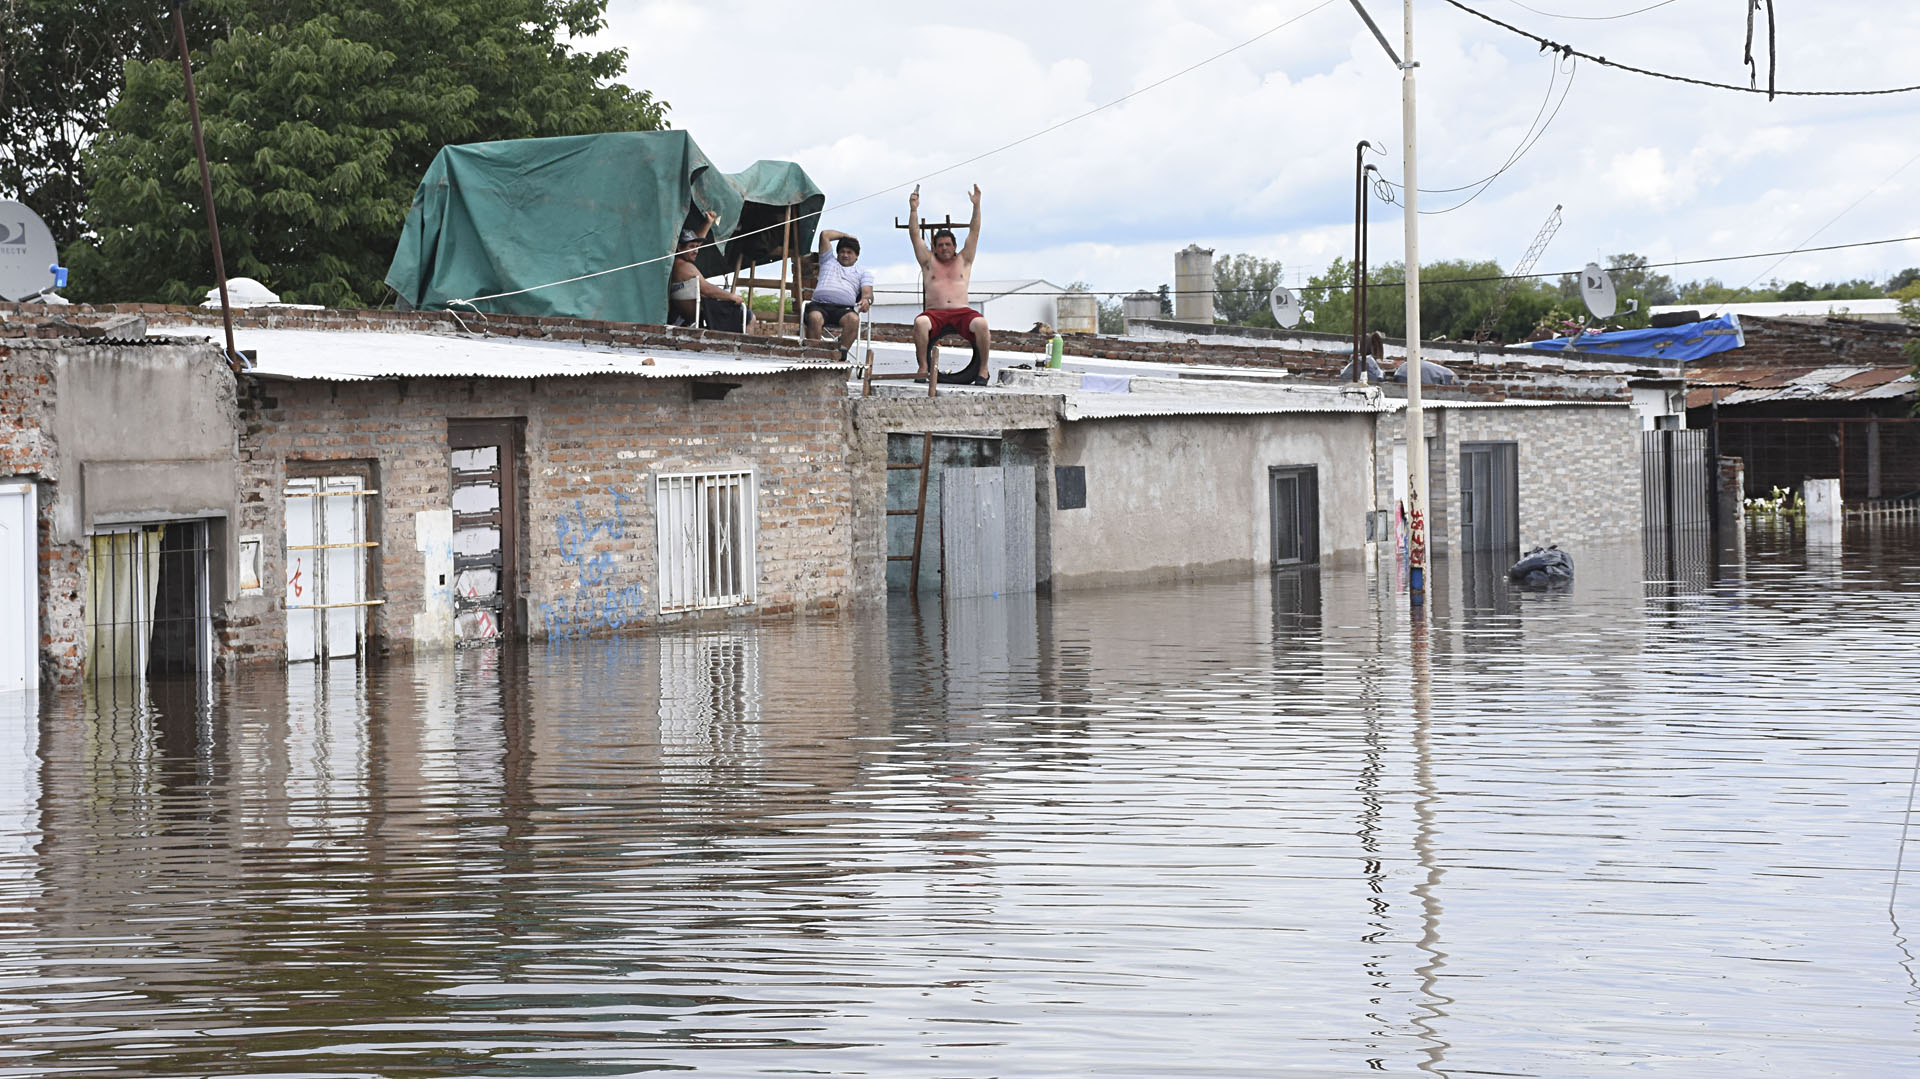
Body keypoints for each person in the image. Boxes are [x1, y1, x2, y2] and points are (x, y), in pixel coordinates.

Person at [908, 185, 991, 385]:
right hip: (935, 313)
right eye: (940, 245)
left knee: (981, 324)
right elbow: (914, 235)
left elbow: (975, 231)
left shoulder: (964, 259)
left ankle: (983, 369)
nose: (944, 248)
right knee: (920, 323)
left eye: (948, 244)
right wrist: (913, 210)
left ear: (954, 246)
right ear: (935, 248)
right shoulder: (929, 262)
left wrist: (976, 206)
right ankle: (923, 368)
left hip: (962, 312)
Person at [668, 209, 753, 333]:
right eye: (692, 247)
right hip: (703, 316)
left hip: (690, 315)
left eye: (697, 247)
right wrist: (731, 296)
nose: (696, 250)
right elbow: (707, 289)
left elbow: (695, 242)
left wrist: (708, 222)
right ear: (680, 248)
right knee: (749, 317)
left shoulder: (675, 263)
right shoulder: (685, 267)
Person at [805, 229, 873, 360]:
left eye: (849, 252)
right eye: (842, 251)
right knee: (814, 317)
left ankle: (841, 355)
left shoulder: (863, 271)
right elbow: (825, 235)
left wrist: (865, 300)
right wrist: (847, 236)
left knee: (854, 319)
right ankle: (814, 354)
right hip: (819, 306)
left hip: (843, 310)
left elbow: (867, 293)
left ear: (856, 255)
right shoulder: (828, 261)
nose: (845, 255)